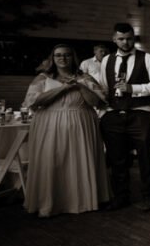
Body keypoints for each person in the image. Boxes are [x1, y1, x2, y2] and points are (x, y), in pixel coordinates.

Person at [21, 44, 111, 217]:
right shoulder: (43, 78)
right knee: (52, 161)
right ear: (52, 59)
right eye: (58, 55)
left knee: (80, 160)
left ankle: (82, 201)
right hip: (49, 124)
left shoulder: (85, 77)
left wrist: (79, 85)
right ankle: (50, 202)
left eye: (67, 55)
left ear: (73, 58)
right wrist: (64, 88)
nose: (63, 58)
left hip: (81, 123)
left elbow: (97, 102)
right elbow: (34, 102)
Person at [97, 22, 150, 212]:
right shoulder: (107, 60)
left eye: (129, 38)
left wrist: (133, 89)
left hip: (140, 114)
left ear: (133, 38)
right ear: (114, 39)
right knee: (117, 159)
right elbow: (104, 87)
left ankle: (149, 197)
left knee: (146, 157)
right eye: (121, 39)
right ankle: (121, 197)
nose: (125, 42)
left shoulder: (148, 58)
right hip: (113, 115)